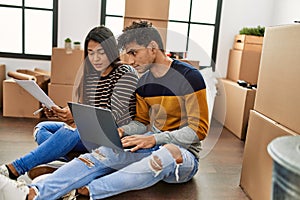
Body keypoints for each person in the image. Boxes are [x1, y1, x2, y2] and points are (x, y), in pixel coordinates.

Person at [0, 20, 209, 200]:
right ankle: (33, 194)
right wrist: (123, 131)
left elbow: (198, 130)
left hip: (184, 153)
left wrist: (154, 139)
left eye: (134, 53)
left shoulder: (190, 77)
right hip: (150, 143)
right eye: (127, 54)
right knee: (106, 152)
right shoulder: (143, 82)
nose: (131, 60)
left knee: (166, 154)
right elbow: (141, 123)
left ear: (153, 47)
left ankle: (86, 189)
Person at [0, 25, 138, 181]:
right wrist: (61, 113)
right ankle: (71, 164)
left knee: (73, 130)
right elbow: (86, 109)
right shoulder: (91, 76)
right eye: (91, 53)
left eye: (101, 52)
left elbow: (116, 117)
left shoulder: (125, 73)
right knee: (42, 127)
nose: (95, 58)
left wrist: (78, 117)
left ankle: (16, 168)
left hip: (117, 136)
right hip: (91, 135)